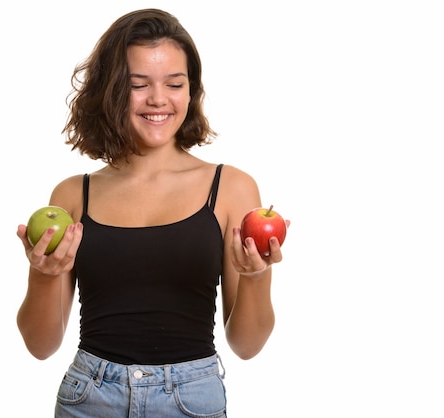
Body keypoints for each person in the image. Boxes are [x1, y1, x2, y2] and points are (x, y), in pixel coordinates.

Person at [16, 8, 288, 417]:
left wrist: (256, 276)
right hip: (88, 398)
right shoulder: (74, 194)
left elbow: (247, 346)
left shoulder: (231, 188)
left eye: (174, 84)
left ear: (191, 90)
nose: (158, 99)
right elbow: (40, 346)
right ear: (111, 90)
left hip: (191, 400)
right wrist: (43, 274)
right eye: (138, 84)